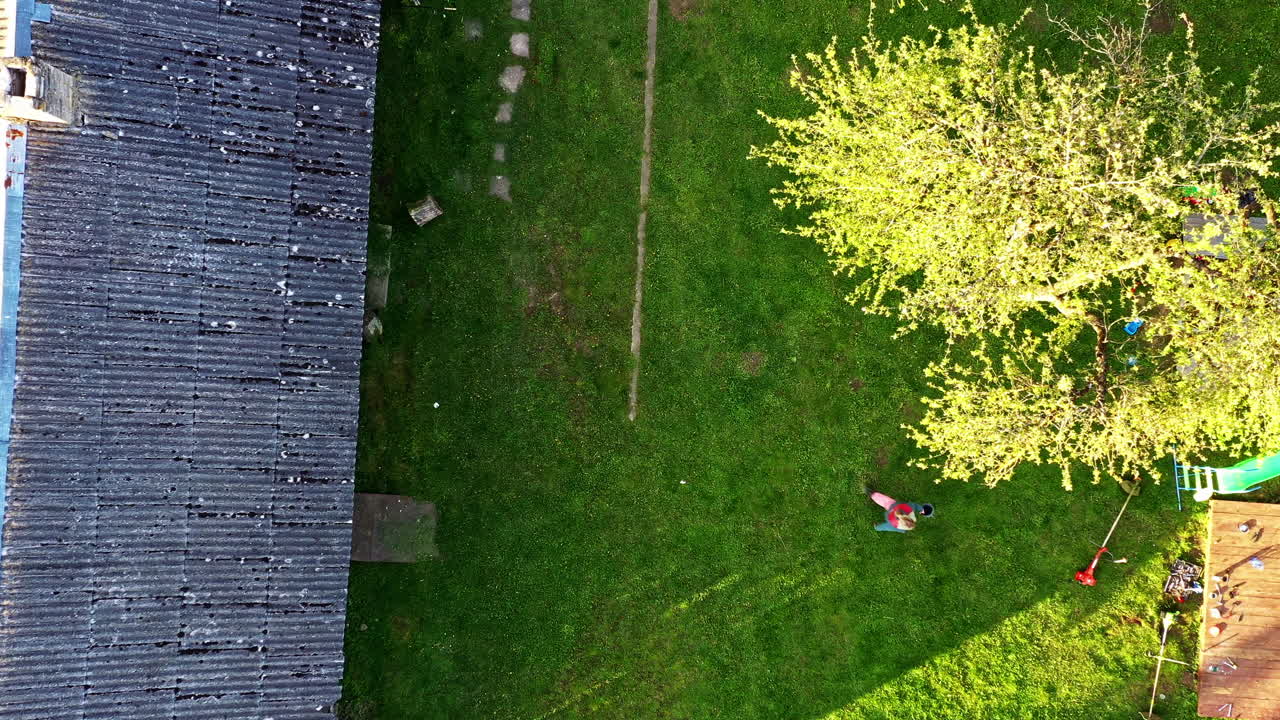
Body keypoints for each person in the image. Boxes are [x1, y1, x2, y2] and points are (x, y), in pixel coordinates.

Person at [867, 489, 933, 533]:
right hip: (890, 512)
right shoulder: (896, 527)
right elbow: (885, 527)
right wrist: (877, 527)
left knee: (884, 500)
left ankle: (872, 494)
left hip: (893, 505)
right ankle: (872, 494)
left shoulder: (909, 508)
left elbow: (914, 505)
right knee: (884, 502)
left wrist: (921, 509)